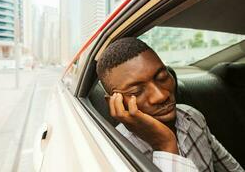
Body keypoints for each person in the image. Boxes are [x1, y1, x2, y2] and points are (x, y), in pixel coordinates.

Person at [96, 37, 243, 172]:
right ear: (115, 102)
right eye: (136, 91)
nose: (161, 96)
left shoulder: (191, 117)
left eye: (162, 77)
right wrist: (165, 144)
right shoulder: (115, 155)